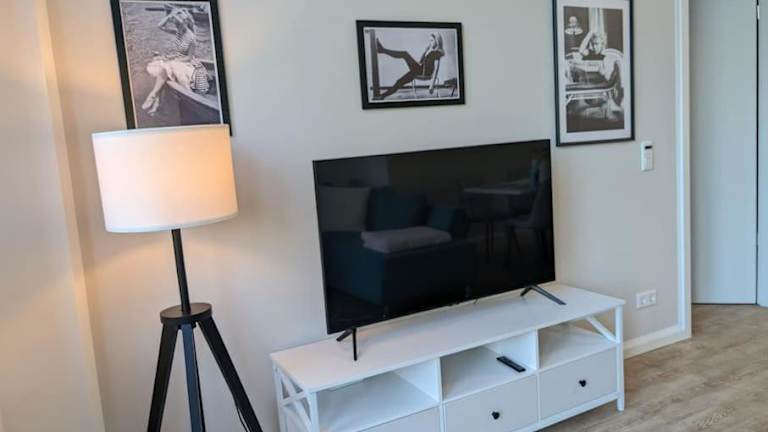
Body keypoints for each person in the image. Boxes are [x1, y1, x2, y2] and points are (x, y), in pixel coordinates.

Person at [141, 6, 211, 115]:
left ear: (185, 23)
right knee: (163, 68)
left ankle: (154, 96)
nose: (177, 27)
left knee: (164, 69)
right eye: (176, 24)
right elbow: (160, 26)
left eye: (179, 24)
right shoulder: (179, 32)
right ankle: (155, 101)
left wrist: (173, 59)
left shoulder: (191, 38)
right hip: (177, 60)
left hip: (187, 64)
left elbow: (188, 58)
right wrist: (169, 17)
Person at [375, 33, 445, 99]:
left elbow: (436, 69)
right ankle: (382, 96)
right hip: (419, 69)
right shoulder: (431, 51)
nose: (430, 42)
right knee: (400, 80)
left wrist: (432, 85)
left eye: (432, 40)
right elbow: (420, 62)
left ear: (437, 41)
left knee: (404, 55)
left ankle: (382, 50)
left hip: (424, 73)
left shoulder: (438, 53)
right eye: (429, 40)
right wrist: (425, 51)